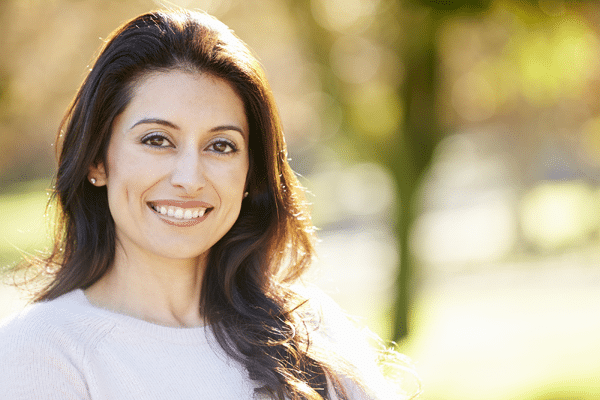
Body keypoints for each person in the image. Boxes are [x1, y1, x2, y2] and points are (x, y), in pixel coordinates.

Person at [0, 9, 414, 400]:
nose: (189, 178)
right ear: (97, 159)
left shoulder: (311, 329)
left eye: (221, 146)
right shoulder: (42, 351)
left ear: (251, 174)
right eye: (157, 140)